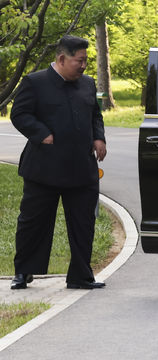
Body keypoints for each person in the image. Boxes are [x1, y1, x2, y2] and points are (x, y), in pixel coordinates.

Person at [10, 35, 107, 290]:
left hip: (82, 169)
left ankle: (81, 276)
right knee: (33, 223)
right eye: (80, 60)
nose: (84, 65)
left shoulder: (87, 84)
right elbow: (19, 114)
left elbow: (95, 114)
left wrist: (99, 138)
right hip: (44, 169)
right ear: (62, 59)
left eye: (86, 60)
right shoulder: (35, 82)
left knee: (83, 224)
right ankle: (23, 272)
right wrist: (42, 134)